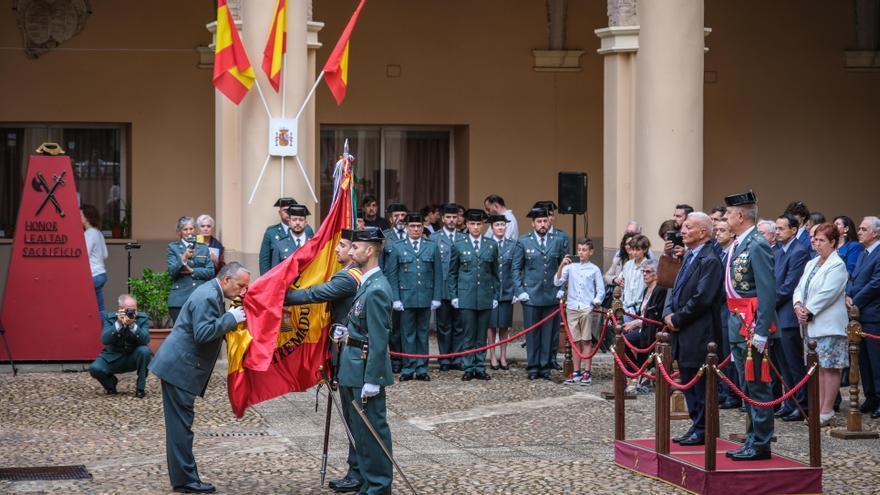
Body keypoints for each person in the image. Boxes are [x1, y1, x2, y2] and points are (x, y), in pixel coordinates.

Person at [149, 262, 249, 494]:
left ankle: (184, 478)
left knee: (181, 427)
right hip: (179, 369)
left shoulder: (212, 291)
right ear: (226, 280)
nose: (243, 291)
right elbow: (203, 333)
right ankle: (186, 481)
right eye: (241, 285)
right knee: (181, 429)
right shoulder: (207, 296)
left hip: (180, 367)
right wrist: (231, 319)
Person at [284, 231, 364, 493]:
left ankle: (358, 472)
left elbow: (314, 294)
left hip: (351, 355)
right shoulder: (353, 274)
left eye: (341, 245)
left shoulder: (347, 278)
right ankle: (359, 469)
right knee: (355, 416)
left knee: (355, 417)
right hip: (346, 351)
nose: (337, 249)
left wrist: (278, 296)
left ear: (354, 250)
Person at [337, 228, 394, 495]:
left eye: (355, 247)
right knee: (361, 433)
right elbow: (362, 325)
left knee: (373, 433)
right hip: (353, 366)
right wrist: (345, 332)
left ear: (369, 251)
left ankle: (379, 486)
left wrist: (373, 379)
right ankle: (370, 484)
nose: (350, 252)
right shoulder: (366, 283)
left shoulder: (378, 288)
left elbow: (379, 340)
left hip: (364, 371)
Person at [723, 191, 777, 461]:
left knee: (757, 387)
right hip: (738, 324)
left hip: (752, 325)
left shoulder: (757, 244)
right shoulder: (738, 244)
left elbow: (767, 291)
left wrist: (761, 331)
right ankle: (753, 437)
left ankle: (761, 443)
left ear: (741, 215)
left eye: (729, 214)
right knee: (746, 387)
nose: (725, 218)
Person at [663, 212, 723, 446]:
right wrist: (668, 313)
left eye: (689, 227)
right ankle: (697, 424)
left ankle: (705, 429)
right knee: (689, 380)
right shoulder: (690, 256)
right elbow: (675, 288)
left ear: (703, 232)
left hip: (700, 332)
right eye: (683, 227)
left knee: (700, 385)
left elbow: (703, 297)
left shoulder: (710, 259)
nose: (683, 231)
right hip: (683, 331)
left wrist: (678, 318)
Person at [793, 223, 849, 427]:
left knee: (829, 368)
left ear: (833, 242)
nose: (817, 244)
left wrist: (807, 310)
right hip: (809, 324)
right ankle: (818, 407)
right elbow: (800, 287)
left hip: (828, 324)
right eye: (814, 240)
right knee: (815, 367)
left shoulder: (837, 264)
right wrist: (798, 305)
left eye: (821, 240)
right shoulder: (811, 263)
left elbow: (828, 292)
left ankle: (827, 410)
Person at [385, 213, 442, 381]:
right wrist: (395, 298)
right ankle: (408, 368)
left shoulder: (431, 246)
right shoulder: (398, 247)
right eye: (412, 226)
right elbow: (392, 275)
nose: (416, 229)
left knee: (423, 334)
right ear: (407, 228)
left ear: (422, 228)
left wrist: (436, 297)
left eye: (418, 226)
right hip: (406, 297)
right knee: (407, 334)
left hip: (425, 296)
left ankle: (422, 368)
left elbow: (438, 273)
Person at [512, 207, 565, 380]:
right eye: (539, 221)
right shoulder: (523, 241)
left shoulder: (556, 240)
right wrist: (520, 291)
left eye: (545, 221)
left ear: (549, 222)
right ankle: (533, 366)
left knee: (549, 332)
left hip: (551, 294)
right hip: (531, 295)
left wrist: (562, 288)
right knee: (532, 333)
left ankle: (545, 366)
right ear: (532, 223)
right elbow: (516, 269)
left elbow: (564, 267)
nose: (542, 225)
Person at [449, 209, 500, 381]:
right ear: (467, 225)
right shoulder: (458, 244)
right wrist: (454, 295)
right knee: (468, 334)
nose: (476, 227)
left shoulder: (491, 245)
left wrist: (495, 295)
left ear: (483, 225)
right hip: (466, 296)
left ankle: (480, 366)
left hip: (485, 295)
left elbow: (495, 273)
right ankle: (469, 366)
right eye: (472, 224)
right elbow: (452, 273)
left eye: (479, 224)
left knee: (481, 334)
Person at [772, 213, 810, 422]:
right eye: (776, 228)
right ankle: (789, 402)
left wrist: (768, 303)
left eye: (781, 229)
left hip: (787, 314)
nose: (777, 232)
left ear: (793, 230)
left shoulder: (799, 252)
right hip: (777, 315)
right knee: (782, 365)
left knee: (794, 363)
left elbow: (789, 286)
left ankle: (801, 403)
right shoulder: (778, 251)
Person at [554, 238, 604, 385]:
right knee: (575, 341)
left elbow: (600, 290)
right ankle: (576, 371)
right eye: (579, 250)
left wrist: (595, 302)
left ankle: (587, 372)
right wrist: (562, 265)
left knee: (586, 340)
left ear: (591, 252)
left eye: (584, 250)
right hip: (572, 307)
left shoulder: (594, 269)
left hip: (586, 308)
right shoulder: (570, 267)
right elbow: (557, 282)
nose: (581, 253)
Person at [846, 216, 880, 419]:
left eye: (863, 229)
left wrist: (855, 299)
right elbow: (853, 277)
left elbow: (876, 283)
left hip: (873, 314)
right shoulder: (862, 254)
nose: (859, 231)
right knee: (863, 360)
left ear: (875, 233)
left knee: (876, 361)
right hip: (858, 315)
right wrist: (848, 294)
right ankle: (870, 396)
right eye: (859, 228)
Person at [88, 294, 151, 398]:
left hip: (133, 357)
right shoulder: (110, 318)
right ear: (120, 309)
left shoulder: (142, 318)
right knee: (94, 369)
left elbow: (146, 340)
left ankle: (140, 388)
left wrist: (133, 326)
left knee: (144, 351)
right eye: (128, 310)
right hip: (113, 358)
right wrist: (118, 324)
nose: (131, 313)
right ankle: (111, 384)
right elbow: (105, 340)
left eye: (134, 309)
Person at [621, 259, 666, 394]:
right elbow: (643, 312)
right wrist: (633, 323)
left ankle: (635, 373)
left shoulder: (660, 290)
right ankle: (636, 372)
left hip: (653, 330)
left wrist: (635, 323)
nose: (644, 274)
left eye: (648, 272)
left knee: (624, 340)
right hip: (644, 327)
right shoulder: (647, 289)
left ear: (656, 274)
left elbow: (655, 317)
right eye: (643, 271)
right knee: (620, 337)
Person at [430, 203, 466, 371]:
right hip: (442, 288)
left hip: (460, 289)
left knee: (459, 325)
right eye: (448, 217)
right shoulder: (434, 239)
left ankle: (457, 358)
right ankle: (444, 358)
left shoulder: (463, 238)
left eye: (454, 217)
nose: (452, 220)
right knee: (443, 326)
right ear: (443, 219)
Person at [167, 216, 215, 324]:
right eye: (185, 229)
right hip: (180, 298)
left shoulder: (203, 248)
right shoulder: (173, 247)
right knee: (180, 334)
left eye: (191, 229)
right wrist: (183, 258)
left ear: (195, 229)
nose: (189, 232)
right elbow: (172, 272)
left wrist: (192, 271)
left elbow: (211, 272)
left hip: (199, 296)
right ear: (179, 231)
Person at [714, 219, 741, 409]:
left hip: (729, 307)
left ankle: (733, 392)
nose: (718, 233)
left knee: (729, 353)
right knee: (722, 352)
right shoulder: (720, 253)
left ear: (732, 234)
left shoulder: (734, 254)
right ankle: (724, 389)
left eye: (722, 230)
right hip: (719, 309)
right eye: (716, 230)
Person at [486, 214, 516, 370]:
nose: (500, 228)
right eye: (497, 225)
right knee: (491, 326)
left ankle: (503, 356)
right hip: (490, 291)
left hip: (507, 290)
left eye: (502, 225)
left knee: (504, 325)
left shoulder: (512, 245)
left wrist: (516, 290)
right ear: (492, 228)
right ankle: (492, 356)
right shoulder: (487, 244)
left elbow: (515, 269)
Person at [381, 203, 408, 373]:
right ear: (390, 218)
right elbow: (381, 264)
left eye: (403, 215)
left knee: (409, 327)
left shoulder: (413, 235)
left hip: (410, 289)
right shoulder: (384, 237)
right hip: (391, 288)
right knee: (394, 327)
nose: (400, 219)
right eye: (397, 215)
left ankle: (409, 358)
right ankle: (396, 359)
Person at [259, 197, 313, 274]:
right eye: (285, 210)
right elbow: (265, 261)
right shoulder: (271, 232)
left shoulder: (307, 230)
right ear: (280, 212)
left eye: (290, 211)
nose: (288, 213)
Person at [81, 204, 108, 315]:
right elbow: (105, 254)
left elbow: (84, 255)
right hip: (101, 274)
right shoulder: (98, 233)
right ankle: (106, 330)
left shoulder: (89, 234)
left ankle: (103, 330)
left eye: (80, 215)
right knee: (100, 308)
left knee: (90, 308)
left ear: (87, 217)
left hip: (93, 275)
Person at [619, 235, 651, 320]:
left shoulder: (649, 266)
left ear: (645, 249)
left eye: (638, 250)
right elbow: (623, 287)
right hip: (625, 308)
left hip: (639, 309)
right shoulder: (628, 265)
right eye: (633, 249)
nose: (635, 253)